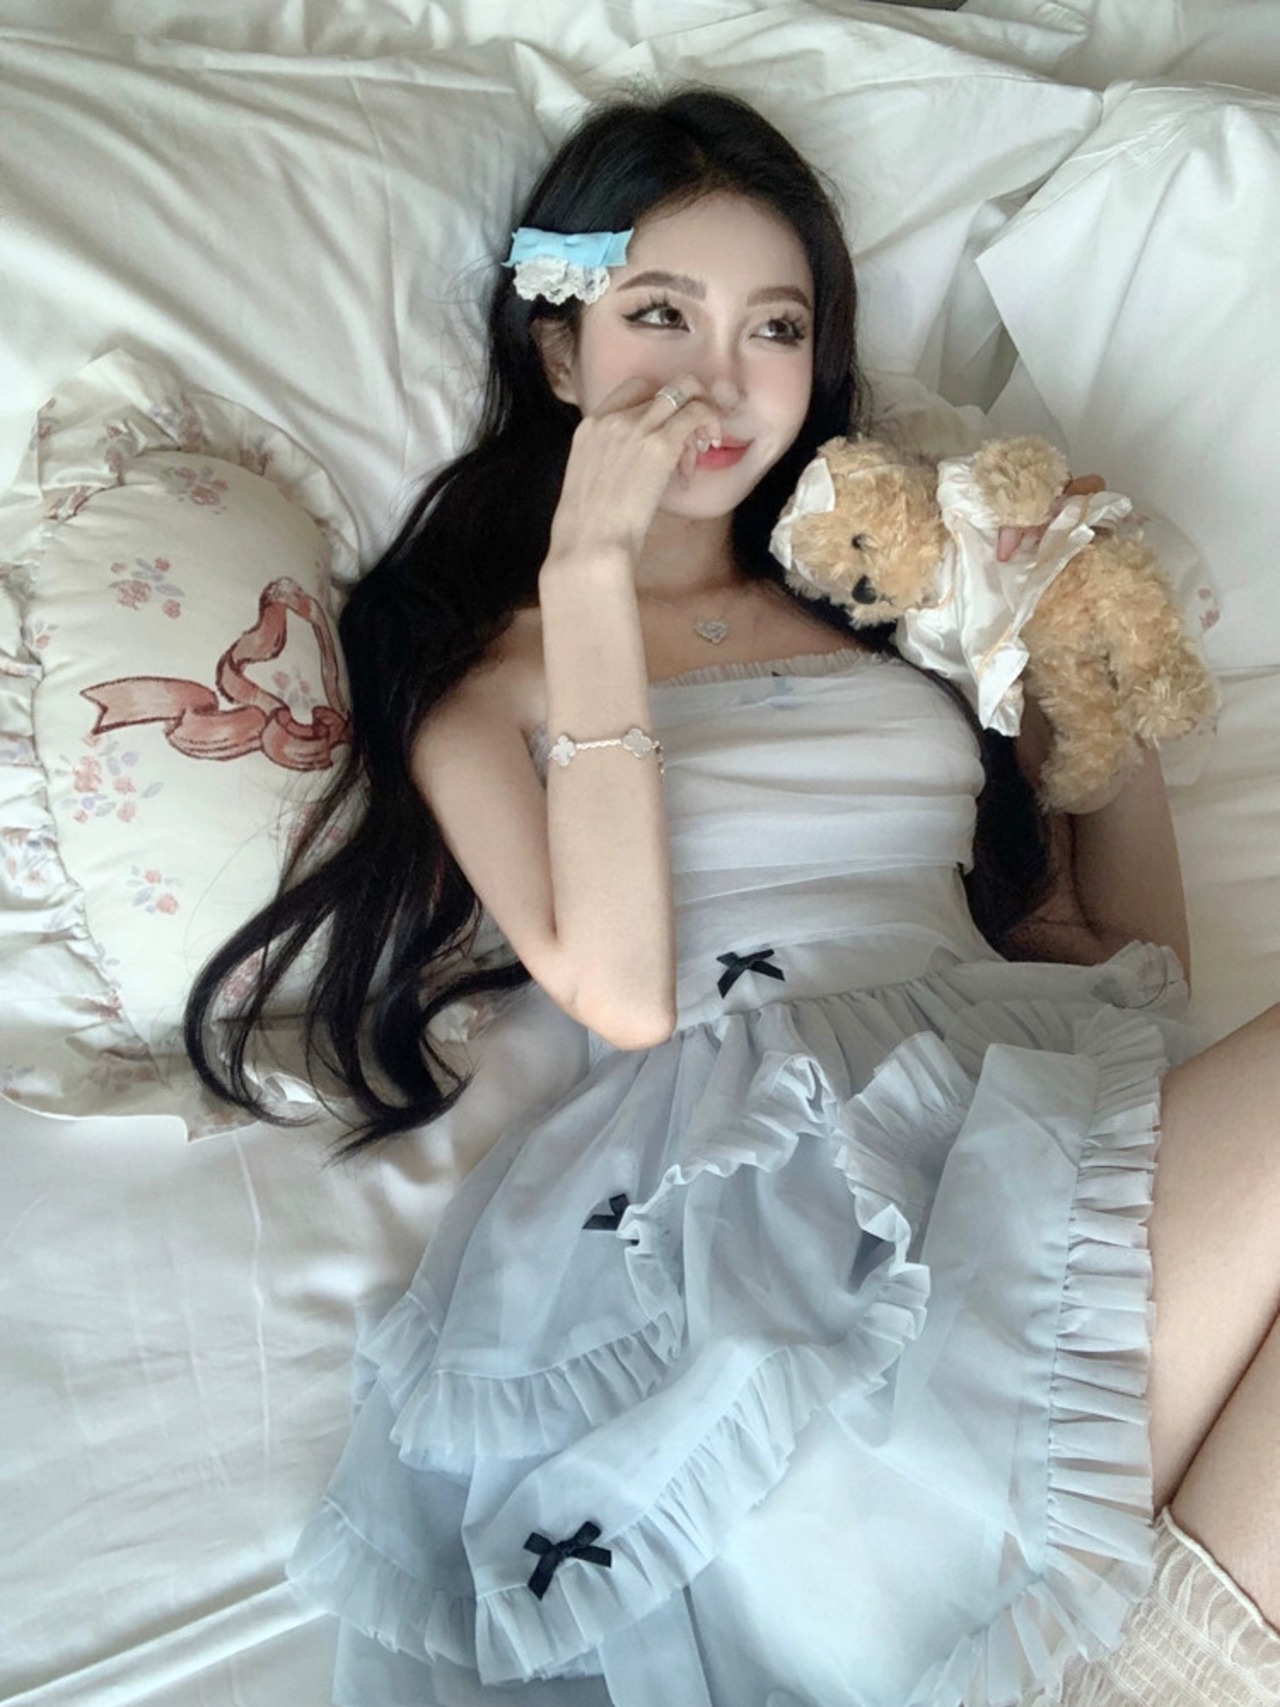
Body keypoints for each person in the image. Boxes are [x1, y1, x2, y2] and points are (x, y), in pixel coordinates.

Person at [184, 87, 1280, 1707]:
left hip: (1012, 1114)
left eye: (774, 326)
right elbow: (622, 990)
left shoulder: (887, 616)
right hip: (749, 1189)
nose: (717, 376)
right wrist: (586, 571)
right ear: (558, 352)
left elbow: (1121, 966)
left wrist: (1083, 659)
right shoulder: (481, 678)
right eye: (658, 314)